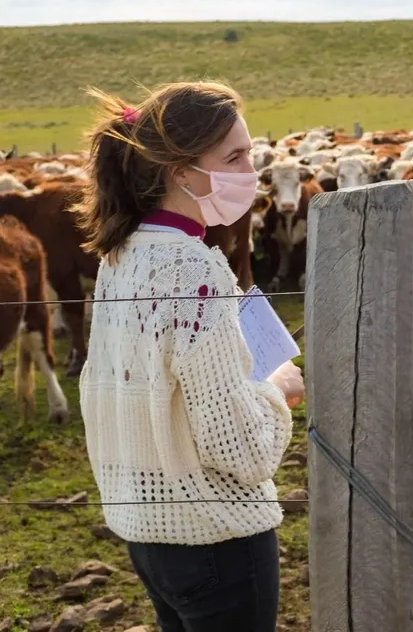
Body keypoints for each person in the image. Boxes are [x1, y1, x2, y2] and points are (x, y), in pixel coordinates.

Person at [74, 81, 305, 632]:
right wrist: (277, 389)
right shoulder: (193, 270)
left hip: (149, 532)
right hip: (216, 536)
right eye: (234, 157)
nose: (250, 169)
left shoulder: (121, 256)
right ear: (180, 172)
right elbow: (239, 449)